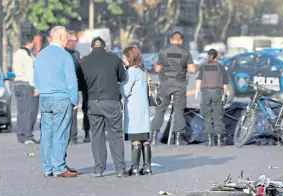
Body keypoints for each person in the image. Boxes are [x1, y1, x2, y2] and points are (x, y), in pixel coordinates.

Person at [33, 26, 79, 178]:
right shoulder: (65, 56)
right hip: (61, 97)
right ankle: (59, 167)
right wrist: (74, 100)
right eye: (66, 37)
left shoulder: (41, 55)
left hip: (45, 97)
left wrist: (40, 89)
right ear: (59, 37)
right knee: (61, 133)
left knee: (47, 133)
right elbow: (71, 81)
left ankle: (48, 168)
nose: (67, 40)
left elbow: (36, 77)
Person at [80, 37, 127, 177]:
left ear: (91, 48)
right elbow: (122, 77)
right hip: (111, 101)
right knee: (116, 135)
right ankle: (120, 168)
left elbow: (81, 84)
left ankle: (99, 168)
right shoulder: (114, 58)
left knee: (97, 136)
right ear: (105, 47)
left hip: (93, 102)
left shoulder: (84, 61)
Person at [151, 31, 196, 145]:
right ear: (181, 41)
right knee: (179, 111)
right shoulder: (185, 52)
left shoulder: (163, 51)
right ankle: (177, 138)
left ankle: (154, 136)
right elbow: (192, 69)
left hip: (165, 84)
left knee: (160, 110)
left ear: (171, 40)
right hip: (179, 84)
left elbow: (157, 69)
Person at [120, 45, 152, 176]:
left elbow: (125, 91)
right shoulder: (142, 70)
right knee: (144, 138)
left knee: (135, 139)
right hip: (143, 108)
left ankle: (134, 168)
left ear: (129, 57)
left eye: (124, 56)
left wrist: (120, 84)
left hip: (133, 109)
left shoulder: (131, 71)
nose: (122, 59)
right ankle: (147, 167)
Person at [195, 49, 229, 147]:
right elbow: (225, 83)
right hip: (217, 92)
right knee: (218, 116)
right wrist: (225, 94)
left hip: (206, 93)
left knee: (207, 116)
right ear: (216, 57)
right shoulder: (220, 67)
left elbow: (199, 80)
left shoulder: (203, 66)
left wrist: (197, 91)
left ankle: (209, 140)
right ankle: (219, 140)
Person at [12, 34, 39, 144]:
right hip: (27, 85)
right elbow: (30, 72)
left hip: (17, 84)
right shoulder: (27, 55)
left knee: (21, 111)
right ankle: (28, 135)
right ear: (30, 43)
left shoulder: (17, 53)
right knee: (30, 111)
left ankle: (21, 134)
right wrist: (36, 87)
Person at [65, 30, 90, 143]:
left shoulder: (76, 53)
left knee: (74, 110)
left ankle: (73, 136)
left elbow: (79, 70)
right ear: (68, 41)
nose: (76, 43)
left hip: (74, 86)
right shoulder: (62, 53)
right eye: (74, 41)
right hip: (63, 87)